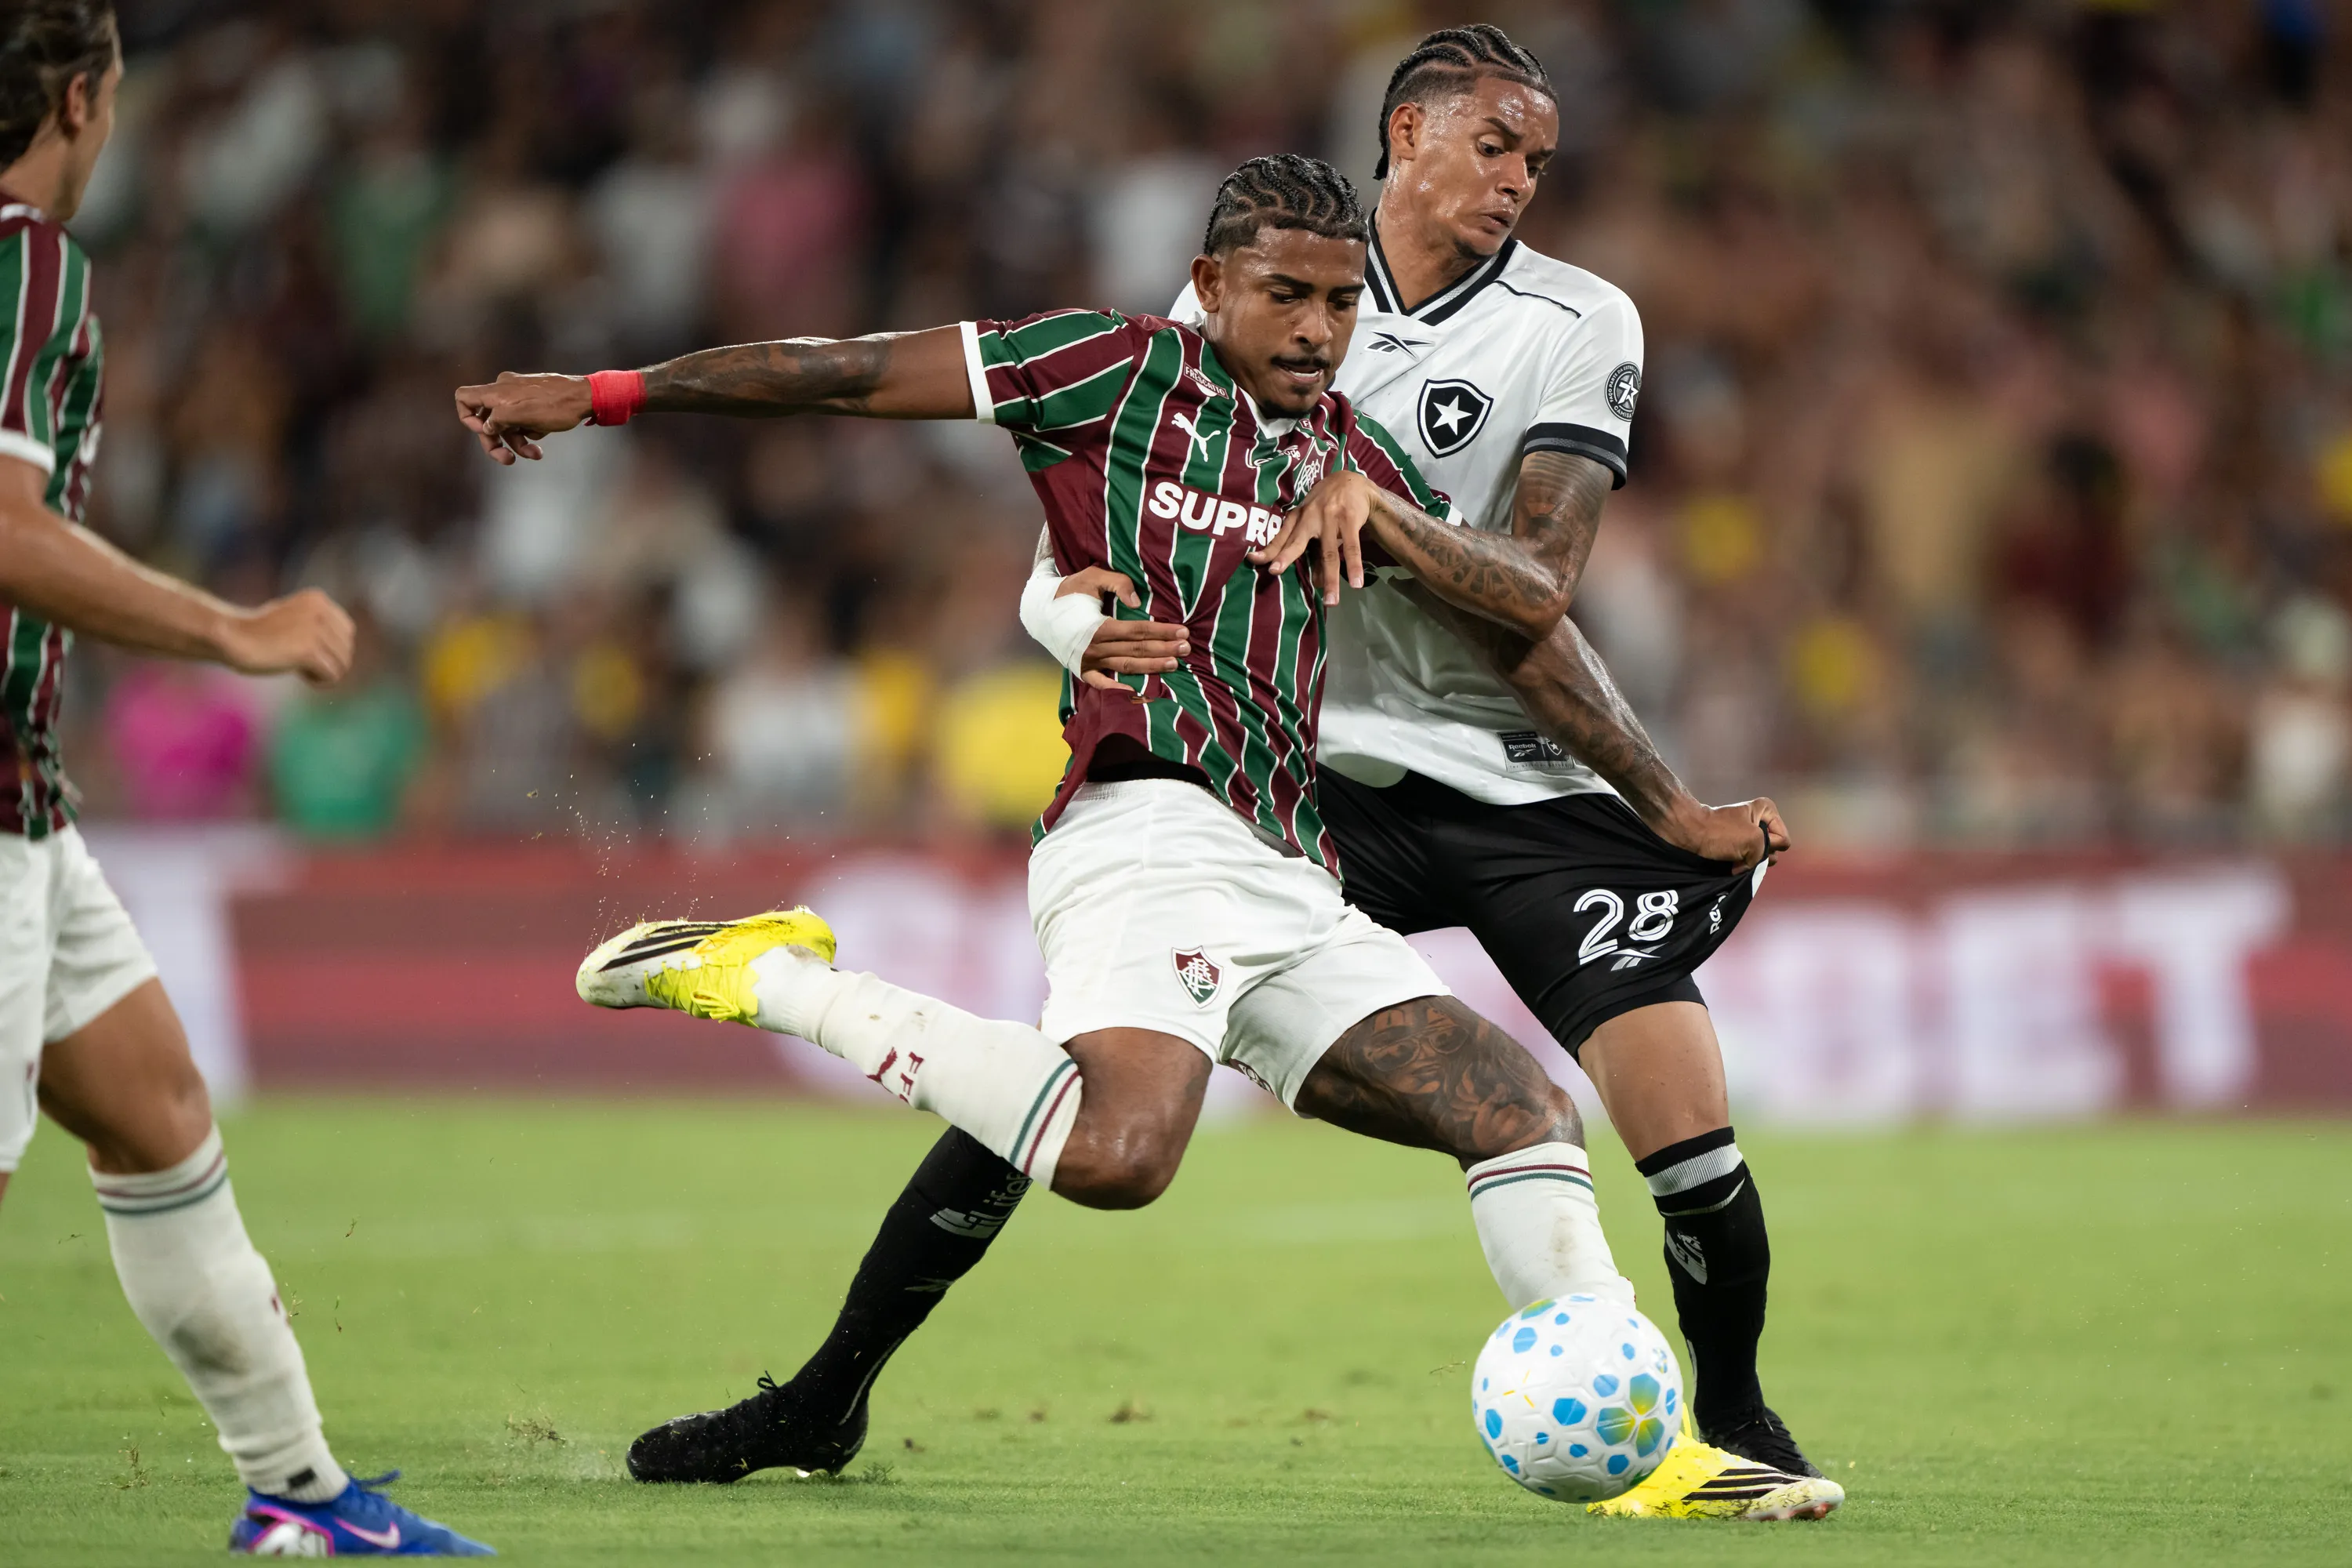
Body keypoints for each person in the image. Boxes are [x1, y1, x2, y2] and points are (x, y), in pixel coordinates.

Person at [456, 148, 1839, 1524]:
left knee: (1523, 1117)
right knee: (1122, 1157)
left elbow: (1521, 639)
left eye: (1343, 304)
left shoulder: (1349, 458)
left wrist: (1663, 807)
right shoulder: (1109, 373)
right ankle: (765, 975)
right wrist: (605, 393)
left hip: (1293, 867)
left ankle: (1649, 1452)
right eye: (1286, 296)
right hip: (1146, 828)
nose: (1317, 332)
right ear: (1208, 287)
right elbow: (852, 369)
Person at [0, 5, 491, 1555]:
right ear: (81, 98)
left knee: (154, 1110)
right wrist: (233, 626)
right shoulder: (23, 261)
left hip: (27, 797)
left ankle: (298, 1495)